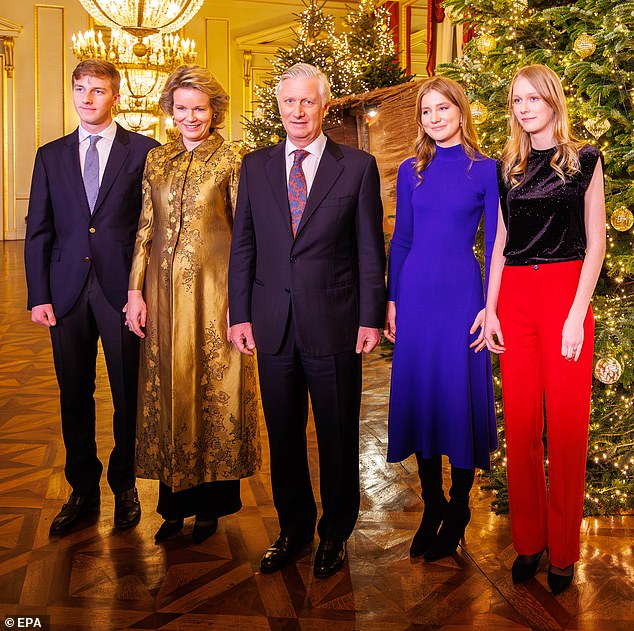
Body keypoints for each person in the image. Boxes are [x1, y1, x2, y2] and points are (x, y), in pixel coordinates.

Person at [228, 63, 386, 578]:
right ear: (279, 106)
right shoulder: (254, 166)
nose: (297, 112)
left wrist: (368, 317)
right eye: (288, 102)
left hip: (336, 321)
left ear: (323, 105)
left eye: (307, 102)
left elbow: (369, 248)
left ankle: (335, 532)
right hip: (271, 322)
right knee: (284, 434)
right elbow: (243, 245)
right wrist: (239, 314)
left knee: (339, 432)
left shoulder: (357, 167)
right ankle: (294, 528)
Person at [125, 65, 260, 545]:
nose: (189, 117)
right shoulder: (156, 160)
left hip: (215, 294)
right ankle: (173, 505)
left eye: (198, 108)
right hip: (161, 298)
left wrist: (240, 300)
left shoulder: (233, 158)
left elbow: (246, 235)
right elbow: (144, 227)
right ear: (170, 110)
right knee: (170, 390)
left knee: (210, 391)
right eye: (181, 108)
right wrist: (134, 292)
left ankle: (211, 506)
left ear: (214, 110)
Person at [484, 64, 605, 594]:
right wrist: (491, 308)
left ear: (554, 101)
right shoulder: (507, 166)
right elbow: (500, 243)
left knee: (568, 427)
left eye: (534, 98)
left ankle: (564, 549)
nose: (525, 107)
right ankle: (530, 541)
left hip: (565, 295)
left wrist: (576, 313)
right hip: (515, 297)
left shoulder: (583, 161)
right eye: (517, 100)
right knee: (523, 428)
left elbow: (597, 242)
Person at [24, 60, 159, 535]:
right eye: (79, 89)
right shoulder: (51, 155)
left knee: (127, 394)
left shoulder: (145, 151)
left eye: (97, 91)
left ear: (115, 97)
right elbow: (37, 230)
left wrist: (142, 290)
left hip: (124, 293)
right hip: (65, 295)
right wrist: (39, 293)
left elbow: (155, 227)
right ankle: (82, 487)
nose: (86, 98)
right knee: (73, 393)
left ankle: (125, 486)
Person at [384, 77, 498, 562]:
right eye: (426, 111)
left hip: (462, 299)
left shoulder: (487, 170)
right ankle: (431, 504)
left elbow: (496, 245)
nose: (434, 117)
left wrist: (491, 307)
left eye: (442, 108)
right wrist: (392, 300)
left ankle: (459, 509)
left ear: (460, 111)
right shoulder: (412, 170)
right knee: (423, 397)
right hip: (415, 297)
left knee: (457, 394)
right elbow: (402, 239)